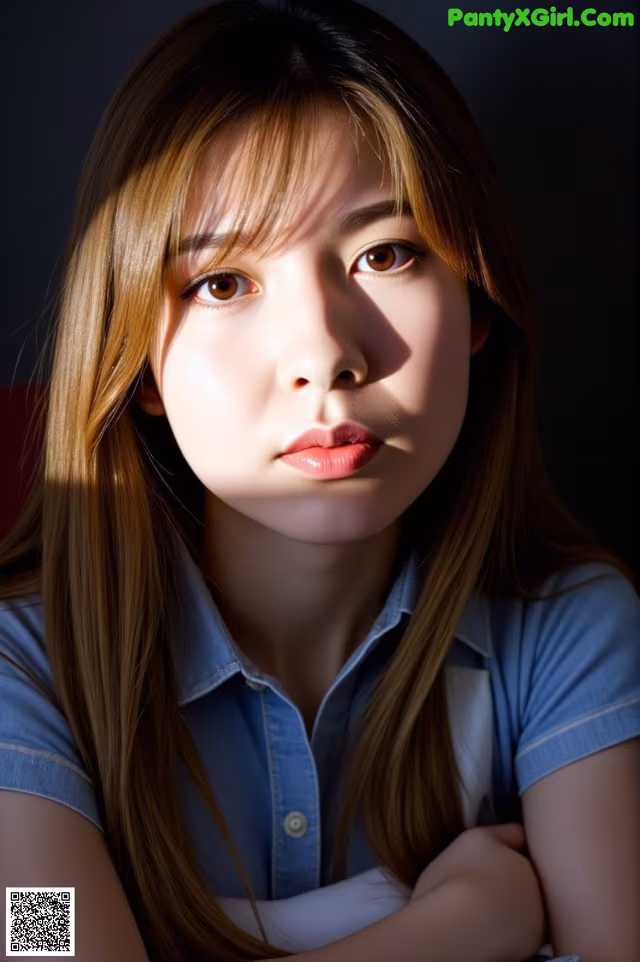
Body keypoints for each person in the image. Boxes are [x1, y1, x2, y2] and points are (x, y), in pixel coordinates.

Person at [0, 0, 638, 960]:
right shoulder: (18, 679)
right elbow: (36, 948)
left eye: (386, 254)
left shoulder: (573, 633)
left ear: (477, 304)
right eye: (222, 283)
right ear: (137, 369)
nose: (326, 356)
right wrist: (465, 925)